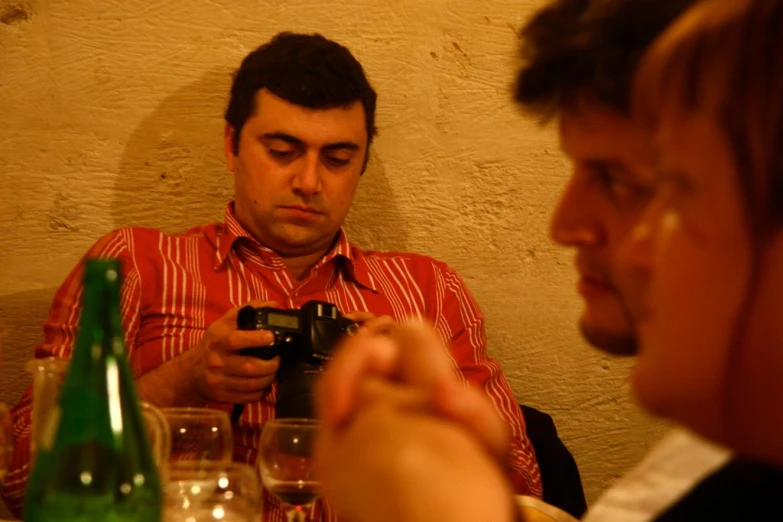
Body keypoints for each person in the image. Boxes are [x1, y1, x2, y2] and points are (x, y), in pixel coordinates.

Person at [0, 32, 541, 519]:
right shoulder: (135, 264)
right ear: (231, 145)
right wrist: (183, 379)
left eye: (337, 158)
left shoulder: (429, 291)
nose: (308, 181)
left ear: (363, 164)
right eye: (282, 151)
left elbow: (524, 492)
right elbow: (23, 480)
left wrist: (421, 404)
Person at [315, 0, 783, 520]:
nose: (562, 226)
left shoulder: (427, 285)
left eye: (637, 182)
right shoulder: (716, 460)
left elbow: (521, 470)